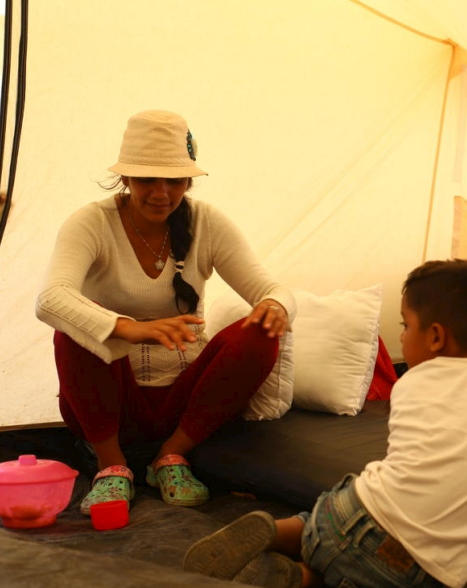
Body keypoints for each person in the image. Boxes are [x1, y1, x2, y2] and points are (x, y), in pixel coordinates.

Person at [184, 259, 467, 588]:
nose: (402, 337)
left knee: (342, 511)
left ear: (436, 336)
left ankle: (277, 532)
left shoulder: (410, 386)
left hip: (348, 516)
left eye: (405, 326)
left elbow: (436, 467)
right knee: (368, 577)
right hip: (419, 569)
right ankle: (304, 579)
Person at [36, 110, 296, 514]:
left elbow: (272, 289)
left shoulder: (207, 222)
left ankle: (171, 459)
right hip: (110, 405)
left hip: (183, 406)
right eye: (147, 179)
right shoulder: (91, 222)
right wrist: (131, 329)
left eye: (174, 180)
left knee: (261, 329)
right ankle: (111, 466)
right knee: (76, 322)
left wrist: (275, 305)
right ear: (125, 178)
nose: (161, 193)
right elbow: (51, 298)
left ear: (188, 180)